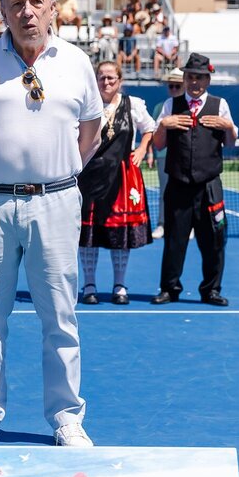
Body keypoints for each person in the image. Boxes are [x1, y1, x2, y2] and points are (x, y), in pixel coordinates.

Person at [0, 0, 102, 447]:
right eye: (17, 3)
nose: (27, 11)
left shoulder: (77, 63)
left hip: (55, 204)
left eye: (36, 2)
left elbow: (90, 132)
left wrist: (54, 175)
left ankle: (66, 417)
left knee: (60, 316)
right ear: (3, 11)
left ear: (53, 8)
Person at [151, 53, 238, 306]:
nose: (195, 82)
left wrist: (227, 126)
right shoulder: (170, 105)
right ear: (185, 78)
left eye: (200, 78)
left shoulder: (220, 105)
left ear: (208, 80)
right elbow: (158, 145)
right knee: (174, 240)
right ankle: (170, 288)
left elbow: (231, 143)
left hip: (209, 185)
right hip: (178, 184)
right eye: (190, 77)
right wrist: (163, 125)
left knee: (213, 240)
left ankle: (211, 290)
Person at [77, 61, 155, 305]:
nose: (106, 82)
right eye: (101, 78)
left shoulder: (133, 105)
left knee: (119, 234)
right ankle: (89, 284)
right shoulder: (85, 104)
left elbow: (150, 128)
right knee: (88, 233)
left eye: (111, 78)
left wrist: (142, 148)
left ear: (120, 80)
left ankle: (119, 285)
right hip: (90, 174)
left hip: (122, 175)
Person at [150, 67, 186, 239]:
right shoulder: (161, 107)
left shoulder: (191, 107)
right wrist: (150, 152)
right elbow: (152, 132)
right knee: (165, 191)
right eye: (171, 86)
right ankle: (162, 224)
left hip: (185, 157)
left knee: (186, 191)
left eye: (177, 86)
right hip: (164, 156)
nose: (173, 89)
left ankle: (188, 225)